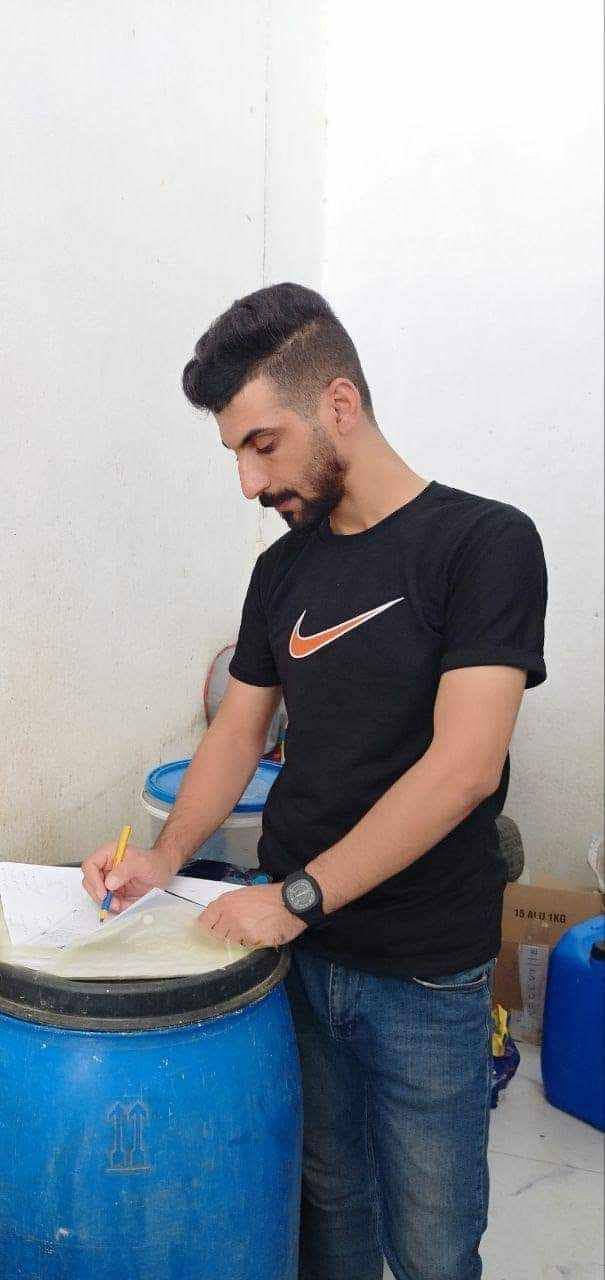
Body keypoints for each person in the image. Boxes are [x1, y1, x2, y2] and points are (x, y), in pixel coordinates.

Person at [82, 283, 547, 1280]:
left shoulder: (483, 544)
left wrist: (295, 896)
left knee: (430, 1239)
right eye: (234, 454)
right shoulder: (283, 571)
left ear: (338, 405)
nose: (248, 481)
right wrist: (163, 857)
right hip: (297, 958)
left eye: (263, 444)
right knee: (330, 1209)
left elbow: (463, 768)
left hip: (420, 966)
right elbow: (235, 733)